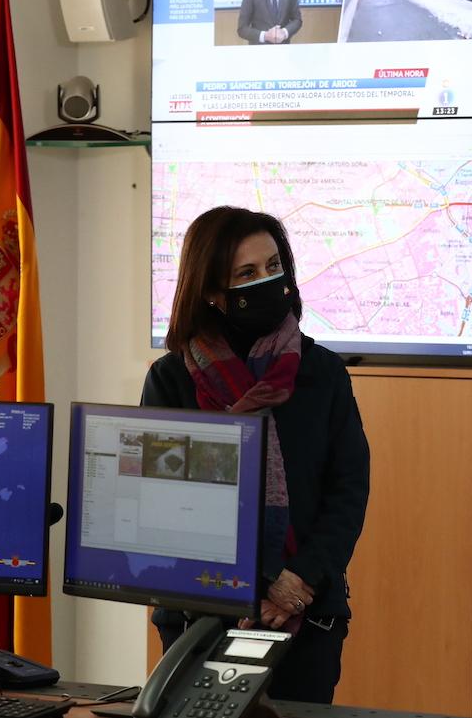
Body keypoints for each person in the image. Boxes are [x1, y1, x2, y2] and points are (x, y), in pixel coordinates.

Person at [142, 206, 369, 703]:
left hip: (306, 613)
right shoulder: (171, 379)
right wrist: (241, 590)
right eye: (247, 273)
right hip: (198, 618)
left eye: (273, 266)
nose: (267, 282)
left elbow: (348, 491)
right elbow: (160, 508)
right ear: (211, 292)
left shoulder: (322, 373)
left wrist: (296, 581)